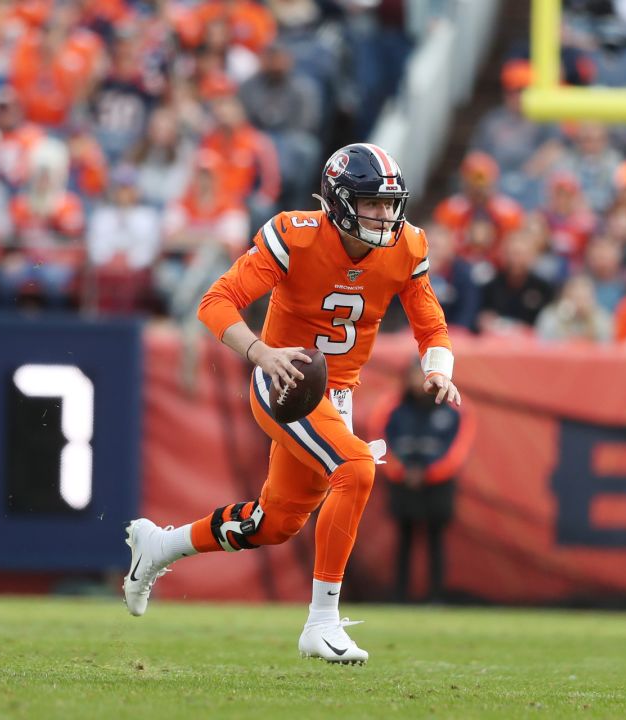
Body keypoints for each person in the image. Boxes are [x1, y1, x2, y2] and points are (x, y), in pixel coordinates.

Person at [122, 143, 462, 664]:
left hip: (339, 393)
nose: (385, 215)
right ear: (341, 201)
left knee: (275, 523)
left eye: (390, 204)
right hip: (285, 383)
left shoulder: (407, 246)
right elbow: (216, 302)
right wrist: (261, 353)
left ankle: (160, 547)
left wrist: (439, 371)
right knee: (356, 468)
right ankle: (321, 622)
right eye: (372, 203)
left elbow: (431, 324)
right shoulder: (296, 235)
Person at [375, 360, 475, 603]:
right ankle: (399, 595)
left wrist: (430, 472)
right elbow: (378, 440)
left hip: (438, 484)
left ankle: (436, 596)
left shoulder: (454, 406)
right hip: (403, 482)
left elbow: (458, 450)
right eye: (414, 374)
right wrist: (401, 470)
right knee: (404, 539)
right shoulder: (392, 406)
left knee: (435, 539)